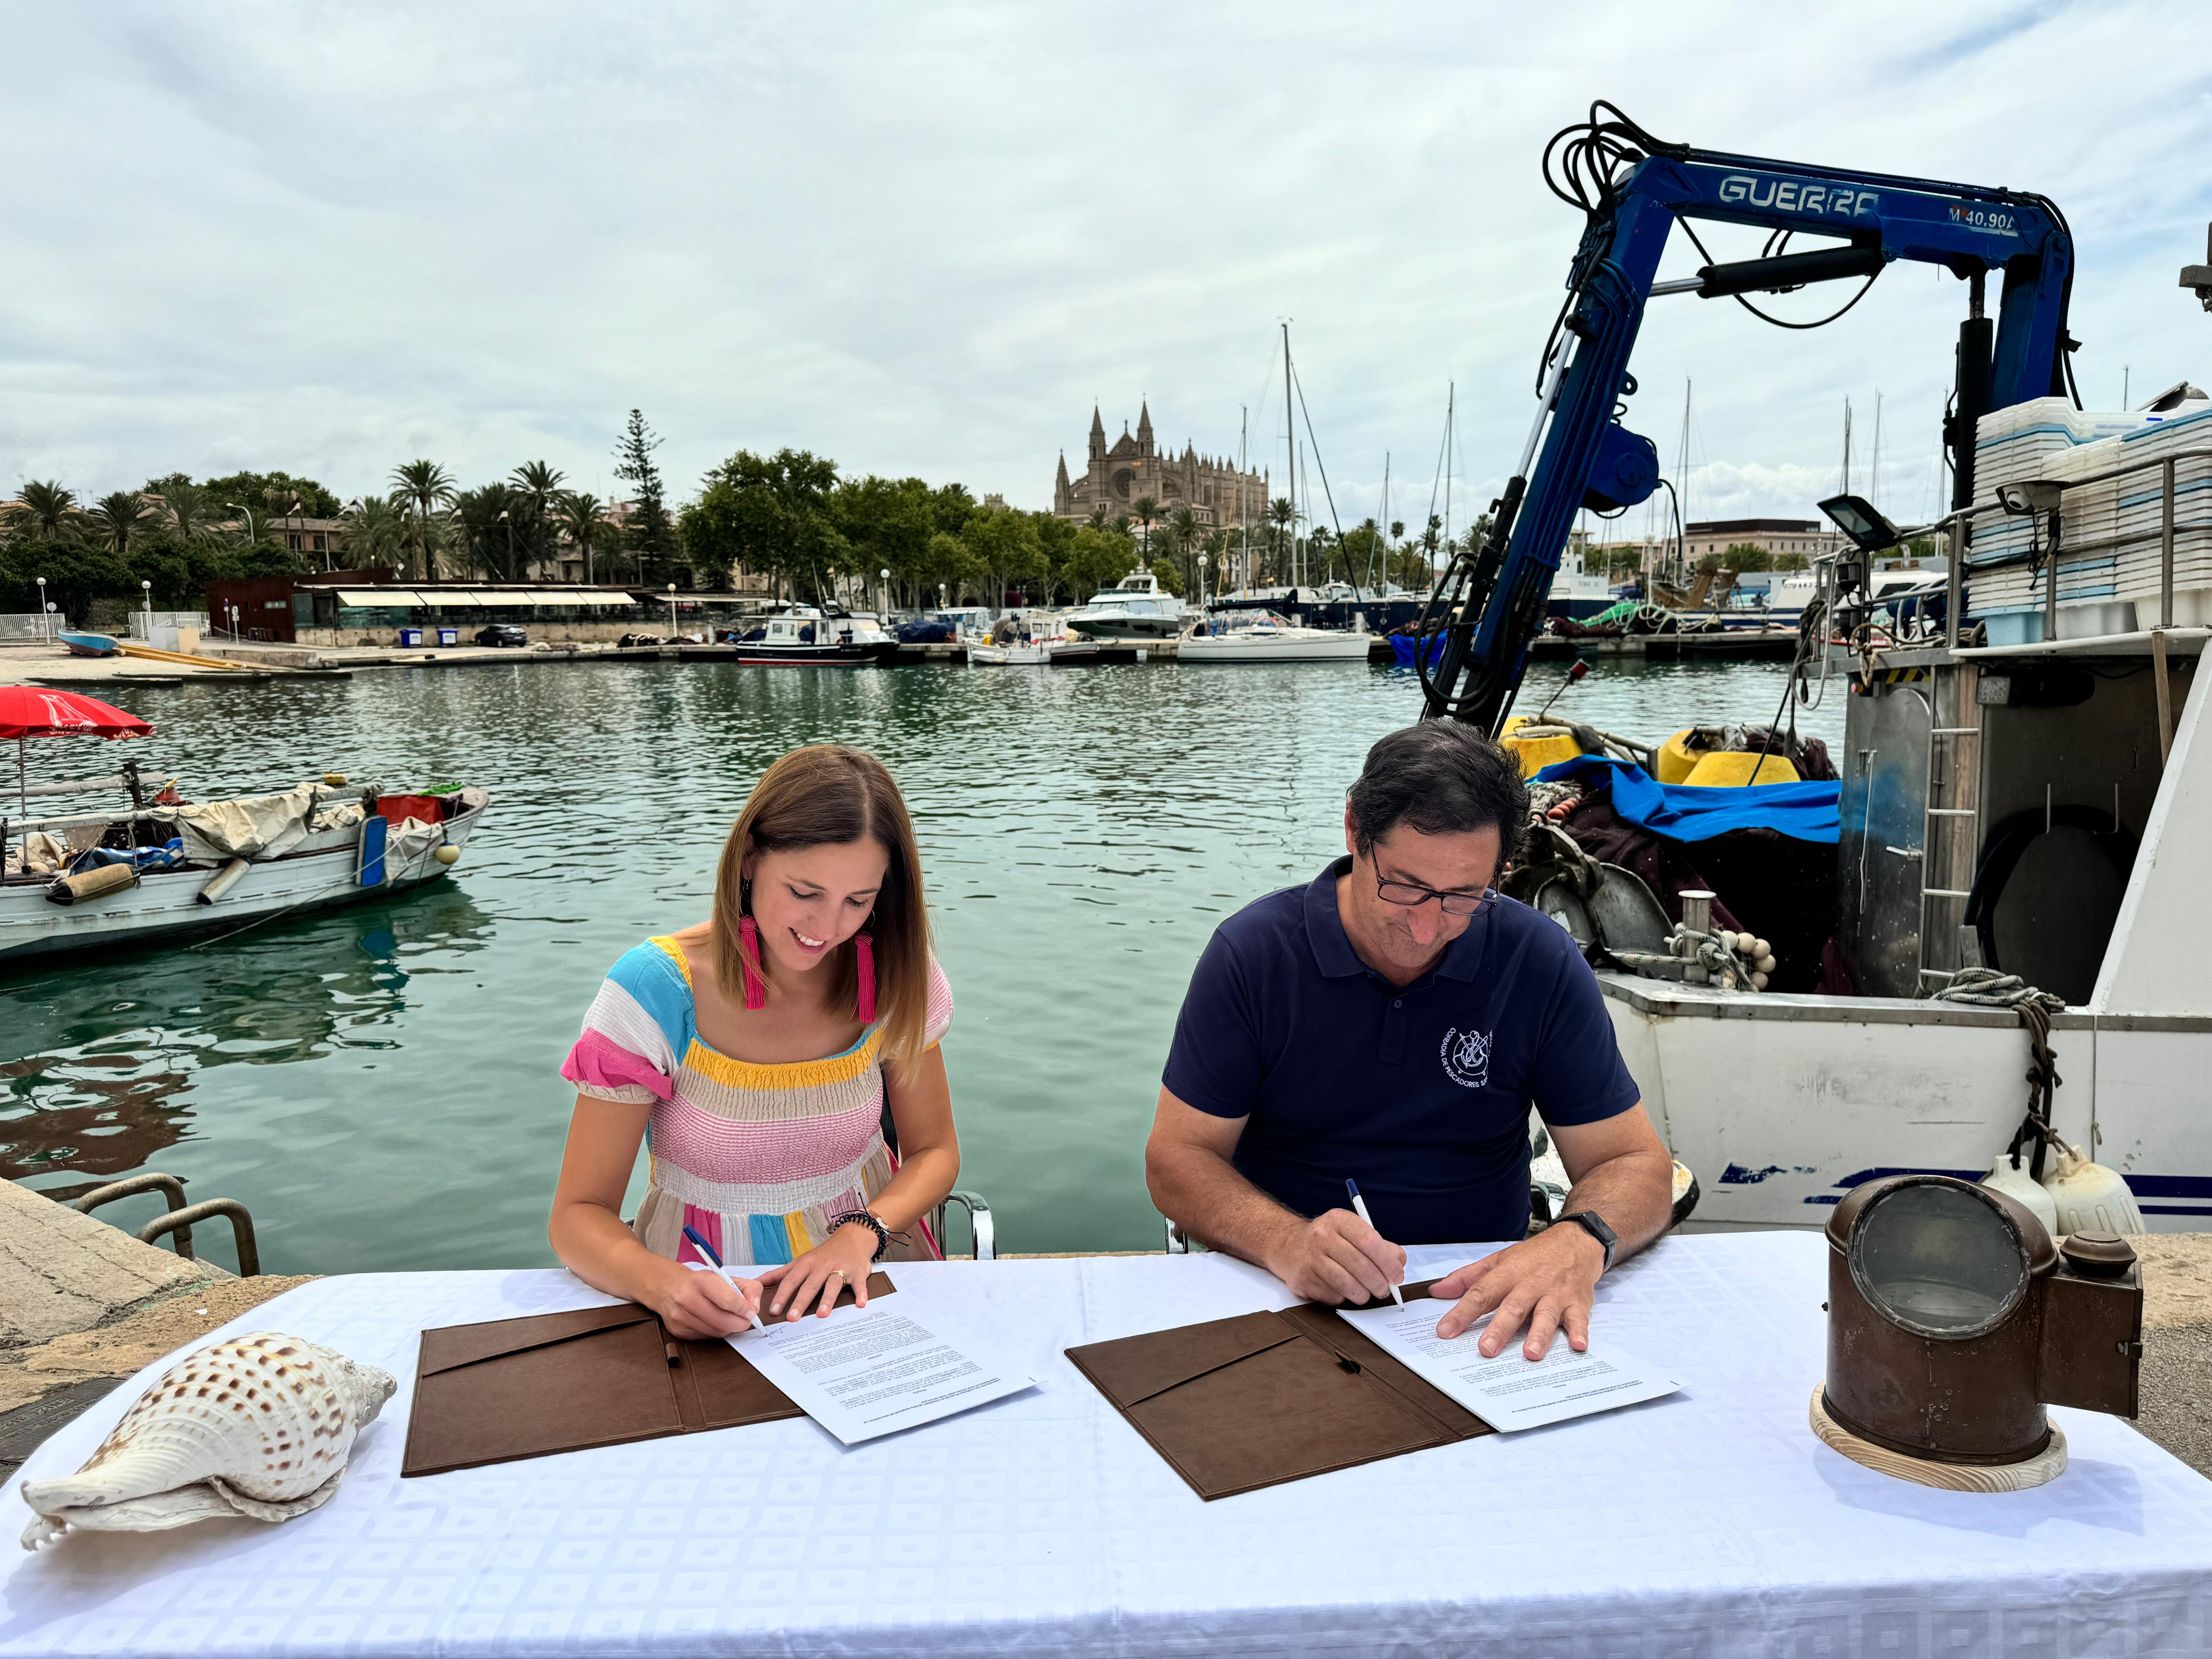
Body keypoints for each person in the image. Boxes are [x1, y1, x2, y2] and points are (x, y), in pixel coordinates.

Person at [1145, 721, 1674, 1361]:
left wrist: (1580, 1239)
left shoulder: (1538, 959)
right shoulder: (1254, 955)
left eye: (1465, 897)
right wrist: (1284, 1242)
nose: (1428, 929)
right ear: (1353, 831)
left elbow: (1635, 1165)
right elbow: (1178, 1158)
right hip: (1281, 1289)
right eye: (1405, 887)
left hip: (1487, 1298)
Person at [550, 744, 959, 1339]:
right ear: (748, 860)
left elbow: (935, 1152)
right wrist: (663, 1286)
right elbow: (577, 1217)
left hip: (869, 1277)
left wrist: (860, 1233)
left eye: (859, 902)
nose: (827, 929)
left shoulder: (898, 969)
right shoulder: (655, 990)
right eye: (804, 892)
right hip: (700, 1292)